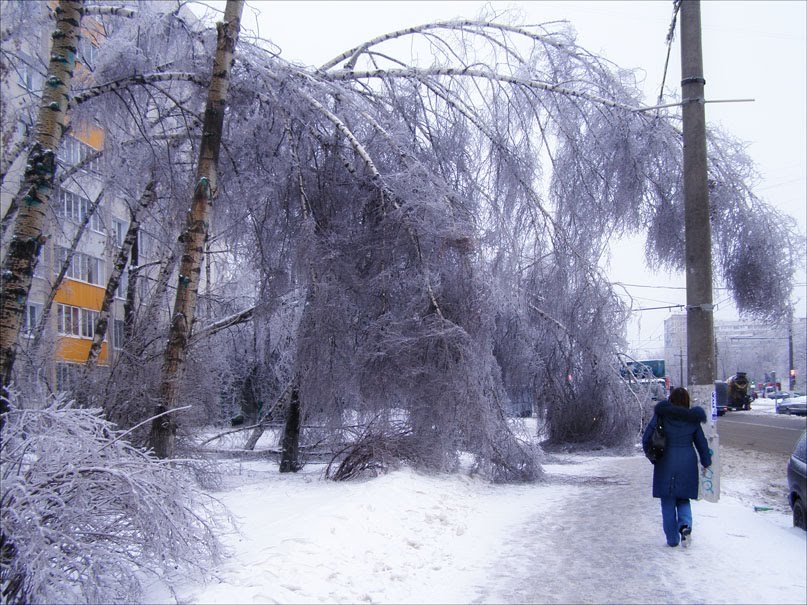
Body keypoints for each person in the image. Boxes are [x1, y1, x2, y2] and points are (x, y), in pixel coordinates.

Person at [642, 386, 712, 547]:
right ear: (687, 401)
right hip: (687, 462)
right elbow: (702, 443)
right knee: (683, 498)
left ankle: (672, 540)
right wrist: (706, 461)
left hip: (665, 461)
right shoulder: (693, 420)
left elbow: (646, 438)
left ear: (671, 400)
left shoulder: (661, 416)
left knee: (667, 501)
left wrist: (652, 456)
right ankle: (685, 526)